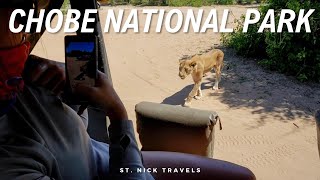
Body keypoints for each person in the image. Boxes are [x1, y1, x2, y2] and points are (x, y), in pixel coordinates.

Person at [0, 2, 256, 180]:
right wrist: (118, 112)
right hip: (119, 165)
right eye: (15, 25)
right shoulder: (13, 167)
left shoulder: (19, 82)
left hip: (105, 155)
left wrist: (70, 90)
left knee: (243, 176)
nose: (24, 37)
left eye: (24, 22)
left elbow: (74, 127)